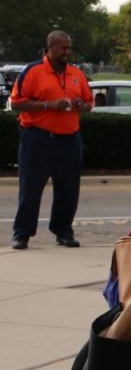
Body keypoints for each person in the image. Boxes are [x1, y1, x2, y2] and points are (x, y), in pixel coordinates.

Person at [9, 30, 94, 249]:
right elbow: (16, 103)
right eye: (63, 48)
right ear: (51, 48)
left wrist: (80, 106)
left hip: (69, 140)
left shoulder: (76, 73)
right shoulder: (33, 71)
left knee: (68, 189)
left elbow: (89, 103)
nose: (67, 52)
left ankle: (63, 231)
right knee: (30, 188)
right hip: (37, 139)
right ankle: (22, 234)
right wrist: (48, 105)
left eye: (69, 47)